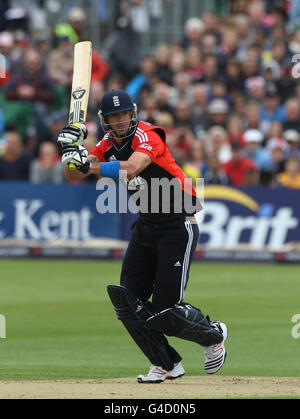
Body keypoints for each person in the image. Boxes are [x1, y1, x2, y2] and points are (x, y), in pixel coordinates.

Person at [58, 89, 228, 383]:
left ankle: (214, 335)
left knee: (167, 310)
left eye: (124, 114)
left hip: (178, 223)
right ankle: (166, 364)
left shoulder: (149, 135)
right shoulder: (106, 144)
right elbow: (74, 176)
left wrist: (88, 162)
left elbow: (133, 167)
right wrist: (70, 153)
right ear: (106, 120)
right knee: (127, 302)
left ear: (133, 113)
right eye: (114, 116)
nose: (121, 120)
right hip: (147, 225)